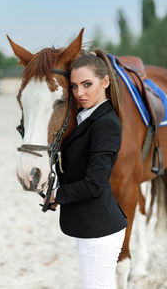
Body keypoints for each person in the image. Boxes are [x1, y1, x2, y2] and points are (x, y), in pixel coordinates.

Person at [46, 49, 128, 289]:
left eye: (87, 84)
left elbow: (94, 184)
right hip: (90, 226)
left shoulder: (106, 124)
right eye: (73, 87)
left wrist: (57, 195)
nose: (79, 93)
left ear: (105, 82)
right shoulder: (85, 116)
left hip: (100, 231)